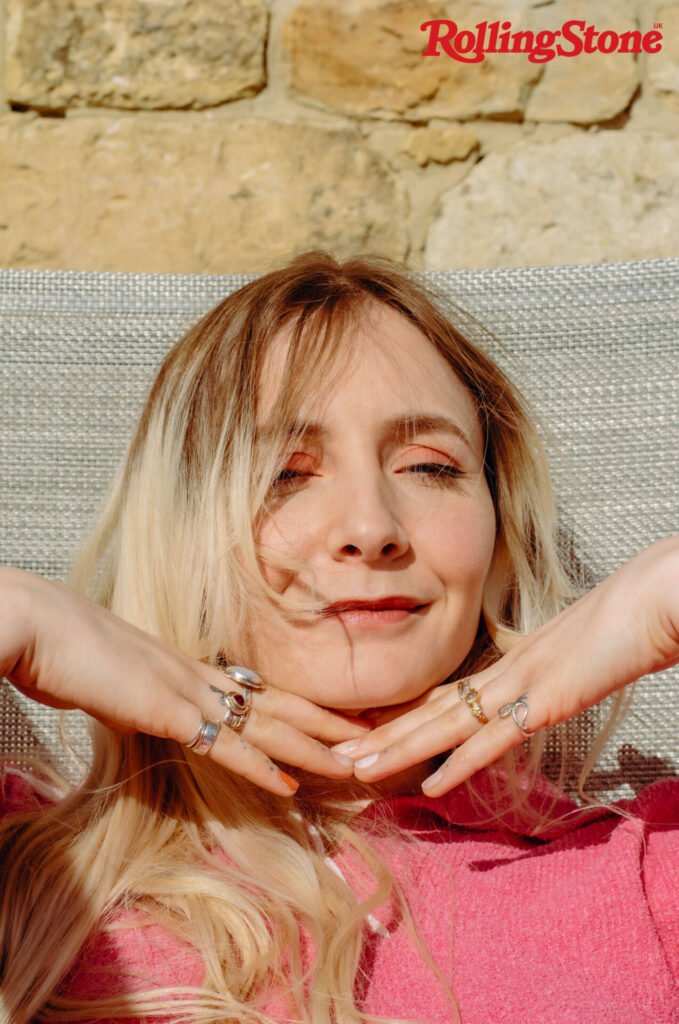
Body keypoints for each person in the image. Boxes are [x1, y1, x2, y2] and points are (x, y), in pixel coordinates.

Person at [0, 251, 677, 1024]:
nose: (370, 529)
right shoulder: (39, 882)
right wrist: (16, 611)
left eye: (429, 467)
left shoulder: (644, 874)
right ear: (180, 535)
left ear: (498, 533)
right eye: (285, 474)